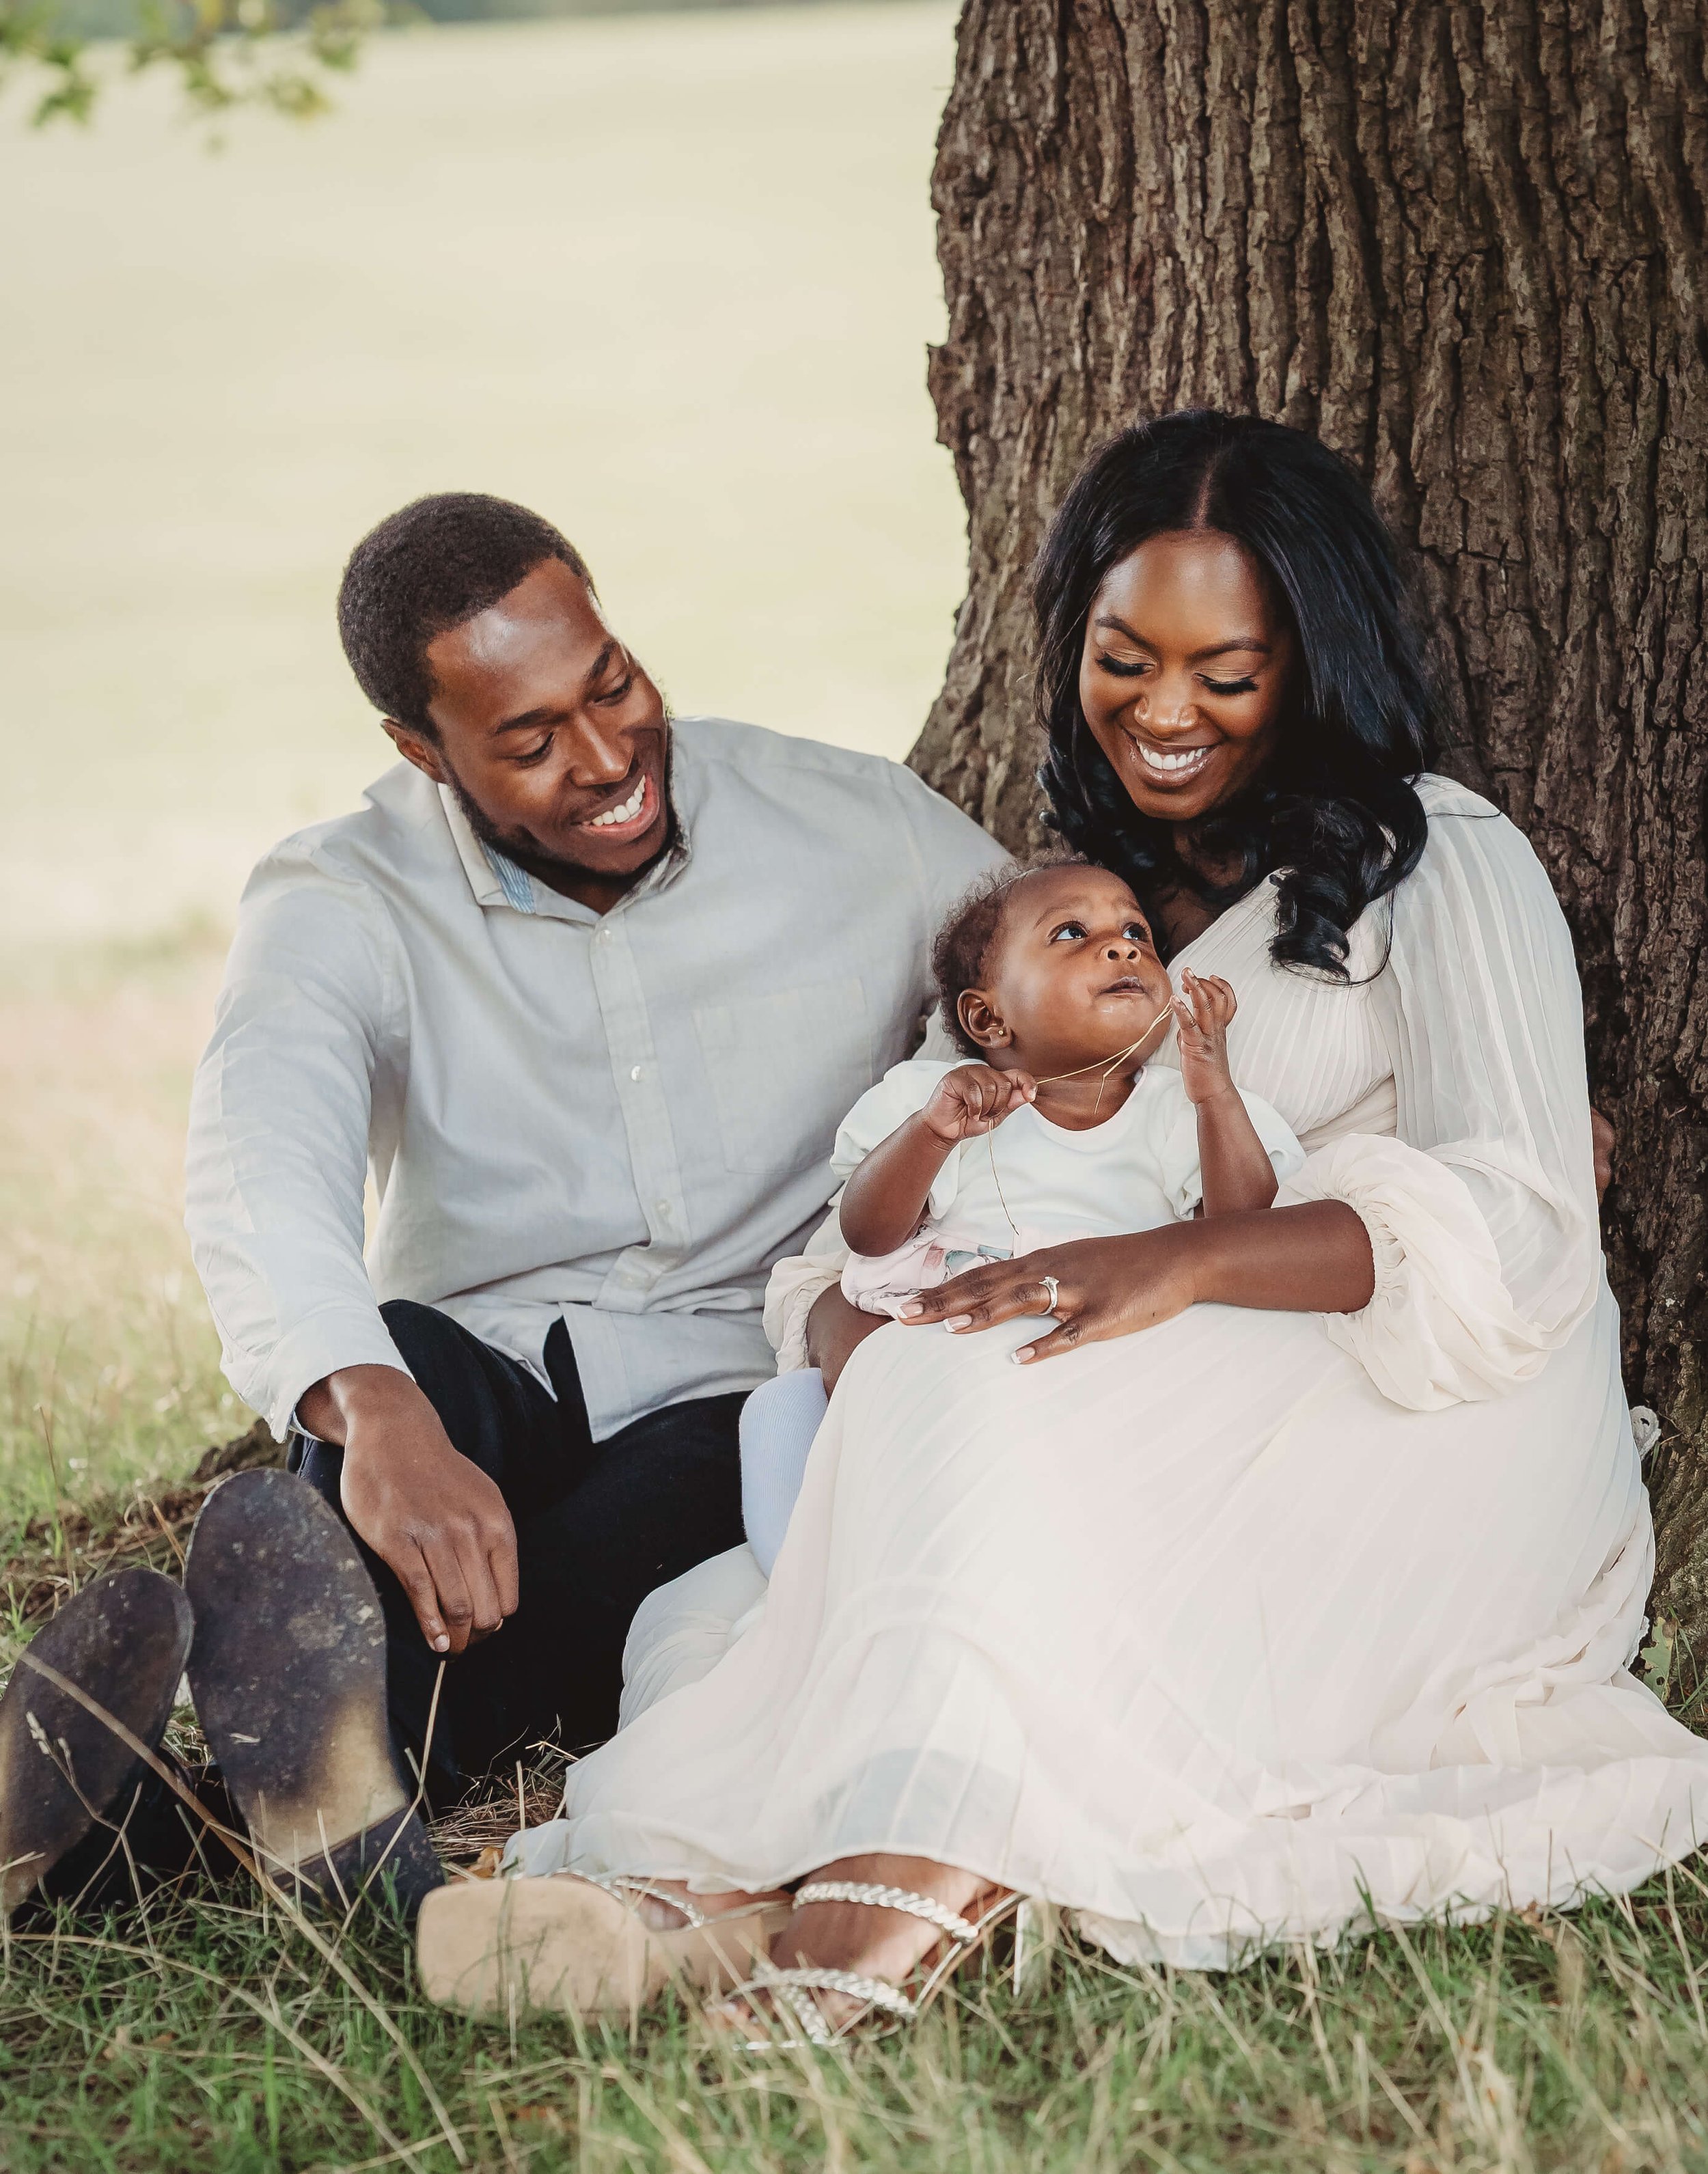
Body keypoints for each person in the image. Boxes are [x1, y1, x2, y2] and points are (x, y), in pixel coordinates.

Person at [422, 411, 1708, 2041]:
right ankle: (721, 1908)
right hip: (1096, 1375)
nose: (1164, 714)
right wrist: (852, 1327)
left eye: (1225, 675)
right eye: (1125, 656)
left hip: (1408, 1411)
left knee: (994, 1398)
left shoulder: (1440, 860)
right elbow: (899, 1195)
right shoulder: (1057, 903)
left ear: (1311, 662)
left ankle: (904, 1874)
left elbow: (1528, 1232)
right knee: (914, 1419)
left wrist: (1176, 1260)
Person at [0, 492, 1006, 1921]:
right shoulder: (343, 892)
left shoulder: (862, 828)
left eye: (612, 686)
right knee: (398, 1400)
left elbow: (1042, 1002)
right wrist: (369, 1404)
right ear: (422, 751)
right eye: (527, 742)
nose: (604, 760)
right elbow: (258, 1151)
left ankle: (200, 1827)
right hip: (490, 1370)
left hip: (743, 1380)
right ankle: (303, 1785)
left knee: (688, 1494)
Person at [737, 858, 1303, 1574]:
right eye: (1072, 932)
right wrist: (932, 1134)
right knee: (786, 1413)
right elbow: (867, 1233)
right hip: (946, 1350)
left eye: (1138, 933)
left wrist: (1216, 1090)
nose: (1125, 946)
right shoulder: (936, 1097)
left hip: (1093, 1361)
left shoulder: (1179, 1108)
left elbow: (1244, 1233)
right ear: (987, 1016)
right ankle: (813, 1574)